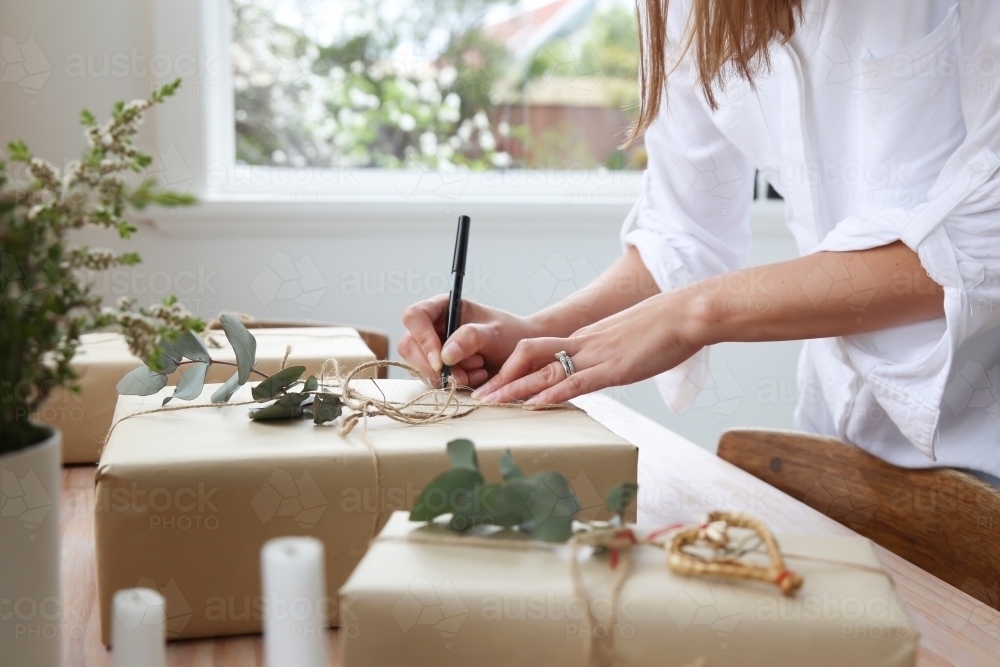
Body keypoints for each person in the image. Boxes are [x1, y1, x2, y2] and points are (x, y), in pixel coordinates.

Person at [398, 0, 1000, 484]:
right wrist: (537, 333)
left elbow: (980, 241)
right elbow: (681, 232)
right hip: (842, 447)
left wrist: (692, 315)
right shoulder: (688, 11)